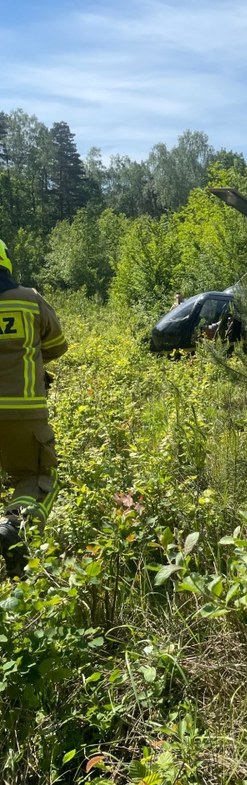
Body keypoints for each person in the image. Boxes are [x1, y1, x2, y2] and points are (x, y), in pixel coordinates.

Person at [0, 240, 68, 577]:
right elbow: (57, 345)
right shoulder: (29, 300)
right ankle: (15, 528)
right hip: (22, 412)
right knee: (36, 476)